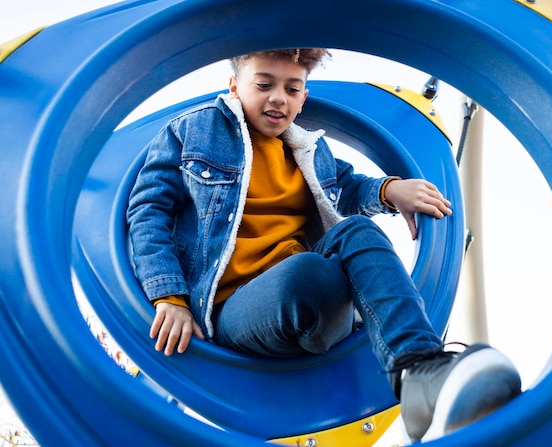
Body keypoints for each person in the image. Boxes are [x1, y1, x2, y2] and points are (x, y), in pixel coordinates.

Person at [126, 48, 521, 442]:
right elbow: (148, 210)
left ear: (303, 98)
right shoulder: (194, 132)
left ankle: (420, 371)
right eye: (264, 84)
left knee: (357, 232)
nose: (278, 97)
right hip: (237, 312)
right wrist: (170, 297)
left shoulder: (310, 150)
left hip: (319, 301)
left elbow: (349, 188)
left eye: (292, 88)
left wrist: (389, 189)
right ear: (234, 86)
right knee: (309, 272)